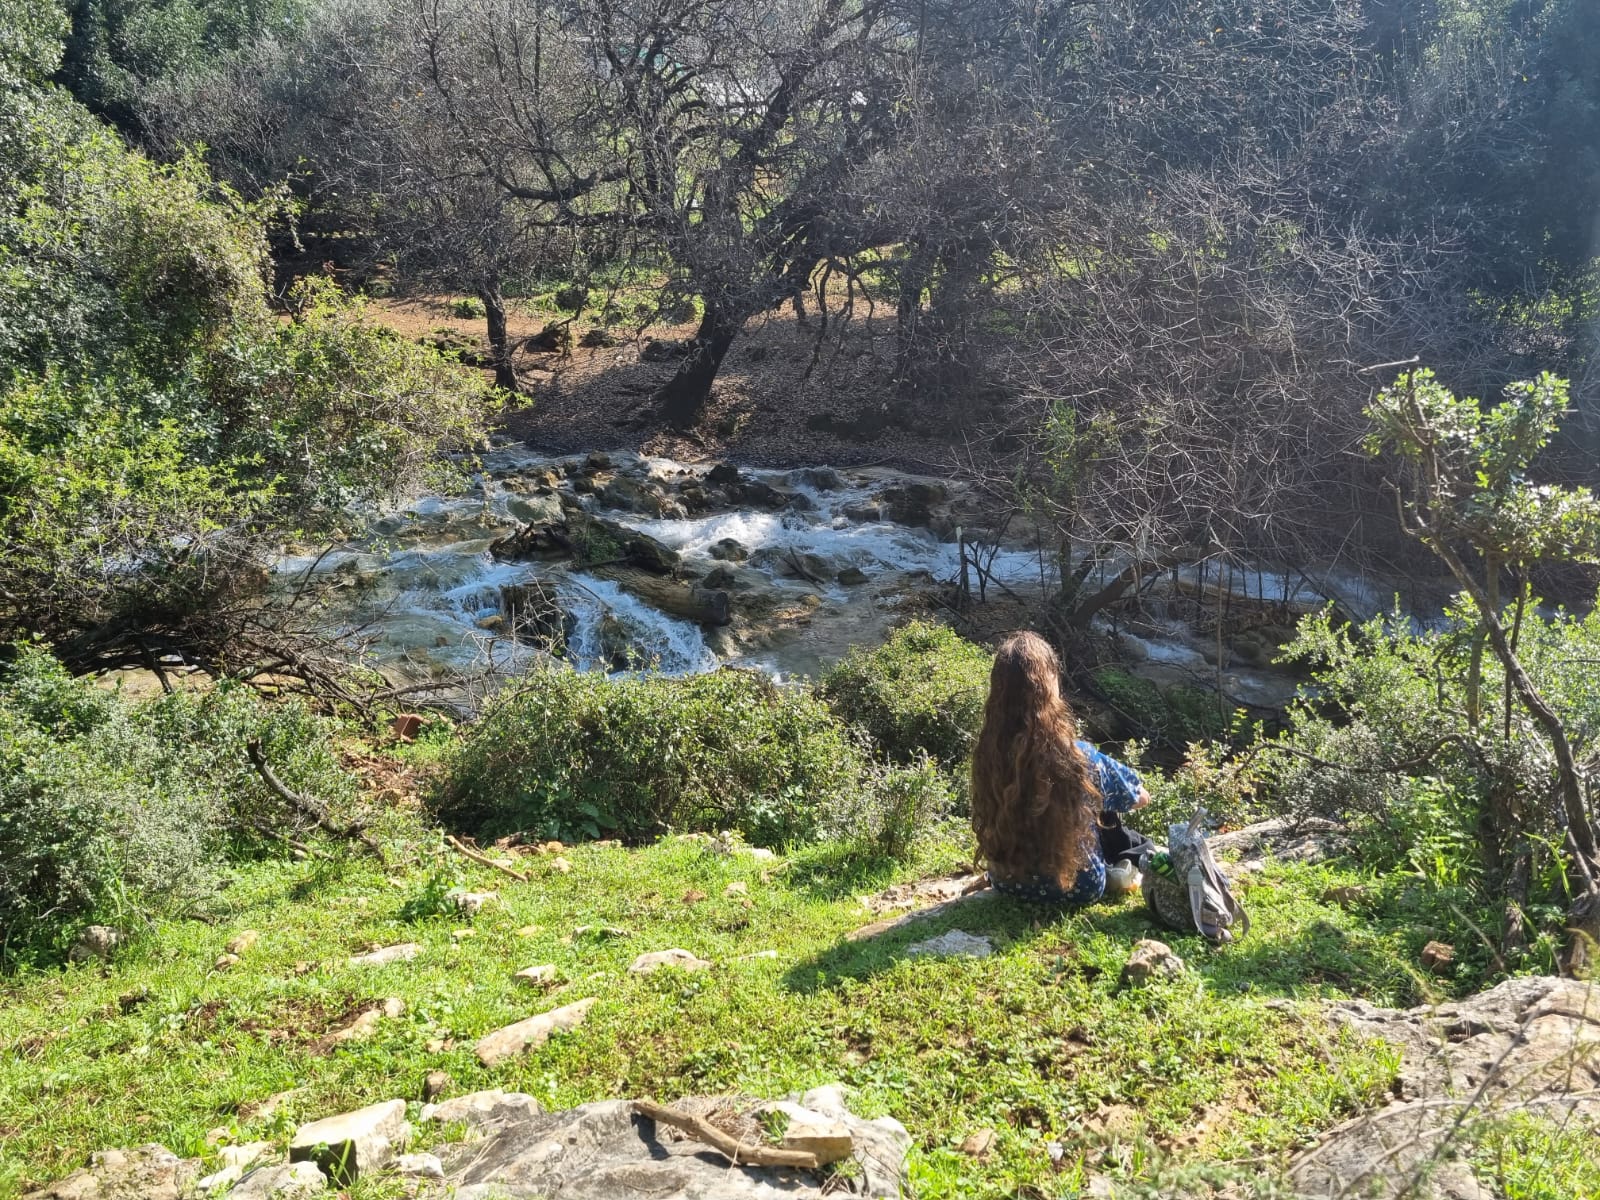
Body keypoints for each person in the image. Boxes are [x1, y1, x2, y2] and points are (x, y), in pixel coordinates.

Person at [970, 630, 1153, 906]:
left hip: (1008, 882)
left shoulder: (988, 754)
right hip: (1080, 888)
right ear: (1050, 685)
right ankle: (1118, 869)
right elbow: (1140, 798)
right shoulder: (1078, 756)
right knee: (1103, 807)